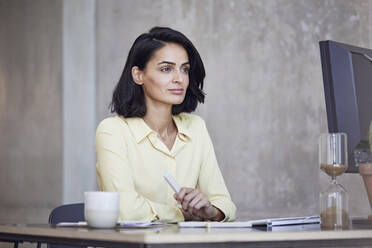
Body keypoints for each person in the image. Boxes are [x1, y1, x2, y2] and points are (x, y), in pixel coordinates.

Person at [95, 27, 236, 222]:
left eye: (184, 69)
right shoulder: (113, 131)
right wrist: (184, 215)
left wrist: (210, 211)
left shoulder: (196, 127)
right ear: (138, 75)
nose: (179, 79)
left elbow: (225, 203)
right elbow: (125, 210)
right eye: (166, 69)